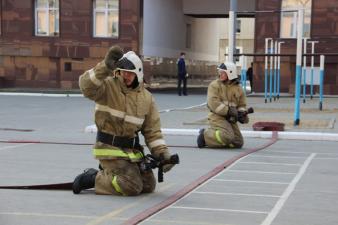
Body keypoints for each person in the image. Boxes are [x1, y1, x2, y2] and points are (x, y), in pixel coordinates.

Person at [73, 46, 176, 196]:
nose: (125, 76)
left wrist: (162, 155)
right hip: (109, 148)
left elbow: (152, 132)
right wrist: (104, 67)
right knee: (131, 186)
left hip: (131, 151)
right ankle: (93, 178)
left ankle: (111, 174)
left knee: (148, 185)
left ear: (139, 74)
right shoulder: (108, 86)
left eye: (130, 73)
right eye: (123, 72)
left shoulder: (147, 98)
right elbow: (85, 86)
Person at [196, 61, 249, 149]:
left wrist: (242, 115)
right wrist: (229, 111)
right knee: (227, 136)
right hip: (217, 117)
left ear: (230, 73)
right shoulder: (214, 85)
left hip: (231, 119)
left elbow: (242, 105)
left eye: (223, 72)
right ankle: (205, 136)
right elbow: (213, 103)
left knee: (238, 142)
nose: (220, 74)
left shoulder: (239, 89)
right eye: (220, 72)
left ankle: (224, 140)